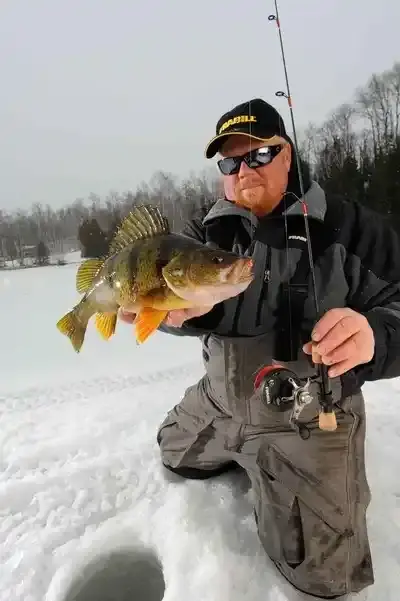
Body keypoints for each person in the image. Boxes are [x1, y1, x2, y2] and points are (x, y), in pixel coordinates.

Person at [119, 98, 400, 599]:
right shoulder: (204, 236)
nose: (242, 169)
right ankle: (247, 455)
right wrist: (170, 315)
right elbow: (169, 305)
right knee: (172, 452)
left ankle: (283, 470)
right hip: (223, 399)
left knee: (325, 579)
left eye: (259, 155)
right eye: (229, 161)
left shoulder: (351, 229)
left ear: (287, 155)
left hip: (310, 417)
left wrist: (377, 335)